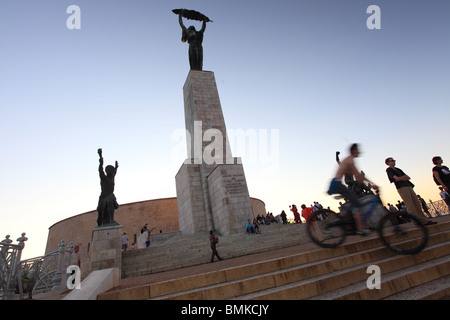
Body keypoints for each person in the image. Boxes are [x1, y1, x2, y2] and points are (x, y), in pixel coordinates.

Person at [327, 143, 377, 235]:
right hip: (337, 184)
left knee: (357, 206)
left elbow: (358, 176)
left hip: (337, 183)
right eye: (358, 150)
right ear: (354, 151)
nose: (360, 152)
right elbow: (358, 176)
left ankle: (364, 226)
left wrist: (371, 183)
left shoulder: (350, 161)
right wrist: (373, 184)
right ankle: (360, 230)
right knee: (357, 205)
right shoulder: (349, 160)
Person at [385, 157, 436, 226]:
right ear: (388, 163)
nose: (394, 162)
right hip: (402, 187)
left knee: (417, 203)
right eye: (392, 161)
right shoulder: (389, 170)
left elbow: (408, 177)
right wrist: (402, 178)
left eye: (394, 160)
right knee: (410, 205)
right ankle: (416, 221)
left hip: (408, 186)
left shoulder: (398, 169)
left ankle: (424, 220)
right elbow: (397, 178)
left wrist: (401, 178)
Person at [96, 148, 119, 227]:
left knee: (110, 202)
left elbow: (115, 172)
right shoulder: (104, 178)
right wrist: (100, 156)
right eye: (108, 170)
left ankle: (111, 220)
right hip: (103, 196)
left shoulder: (112, 177)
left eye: (111, 170)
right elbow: (100, 169)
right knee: (100, 215)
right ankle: (100, 224)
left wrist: (116, 167)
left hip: (110, 196)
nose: (110, 172)